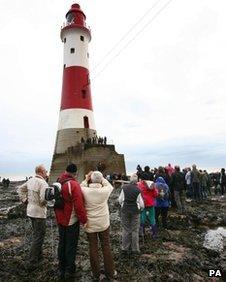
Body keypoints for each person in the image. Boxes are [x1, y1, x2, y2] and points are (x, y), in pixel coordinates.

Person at [81, 171, 116, 281]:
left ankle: (95, 273)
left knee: (93, 247)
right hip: (103, 223)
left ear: (90, 179)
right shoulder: (105, 190)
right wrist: (101, 179)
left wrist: (87, 178)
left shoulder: (84, 190)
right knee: (106, 246)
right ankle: (110, 272)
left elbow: (81, 185)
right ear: (101, 180)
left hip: (90, 223)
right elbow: (109, 185)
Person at [55, 164, 87, 279]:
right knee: (71, 245)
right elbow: (79, 206)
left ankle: (61, 268)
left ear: (65, 171)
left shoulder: (59, 181)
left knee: (62, 243)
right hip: (71, 220)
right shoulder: (73, 184)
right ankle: (69, 270)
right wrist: (84, 220)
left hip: (60, 219)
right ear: (76, 173)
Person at [17, 165, 48, 270]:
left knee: (36, 234)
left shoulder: (30, 180)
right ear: (41, 172)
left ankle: (39, 257)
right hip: (39, 213)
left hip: (30, 211)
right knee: (39, 237)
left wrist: (25, 200)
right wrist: (47, 202)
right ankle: (32, 261)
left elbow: (20, 189)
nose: (46, 173)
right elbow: (43, 199)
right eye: (45, 171)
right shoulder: (43, 183)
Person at [119, 173, 144, 255]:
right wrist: (141, 208)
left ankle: (125, 248)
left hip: (125, 210)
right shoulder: (138, 190)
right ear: (136, 181)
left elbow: (120, 199)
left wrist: (123, 205)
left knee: (126, 229)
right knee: (135, 230)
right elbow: (141, 204)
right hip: (135, 211)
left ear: (130, 180)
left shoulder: (124, 188)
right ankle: (135, 249)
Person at [138, 174, 158, 239]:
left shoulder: (139, 184)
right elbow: (155, 194)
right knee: (152, 218)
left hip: (143, 204)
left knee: (142, 218)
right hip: (151, 204)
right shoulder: (152, 184)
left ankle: (142, 233)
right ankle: (154, 234)